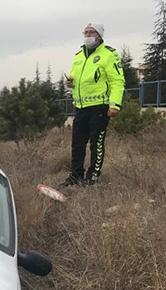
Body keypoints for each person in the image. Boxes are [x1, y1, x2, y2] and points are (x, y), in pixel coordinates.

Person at [62, 23, 125, 186]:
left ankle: (93, 176)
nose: (88, 35)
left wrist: (115, 104)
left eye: (92, 32)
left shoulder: (109, 55)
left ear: (99, 36)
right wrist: (70, 82)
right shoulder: (78, 56)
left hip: (100, 107)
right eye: (86, 32)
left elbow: (117, 81)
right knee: (77, 143)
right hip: (81, 106)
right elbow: (75, 78)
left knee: (96, 143)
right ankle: (75, 175)